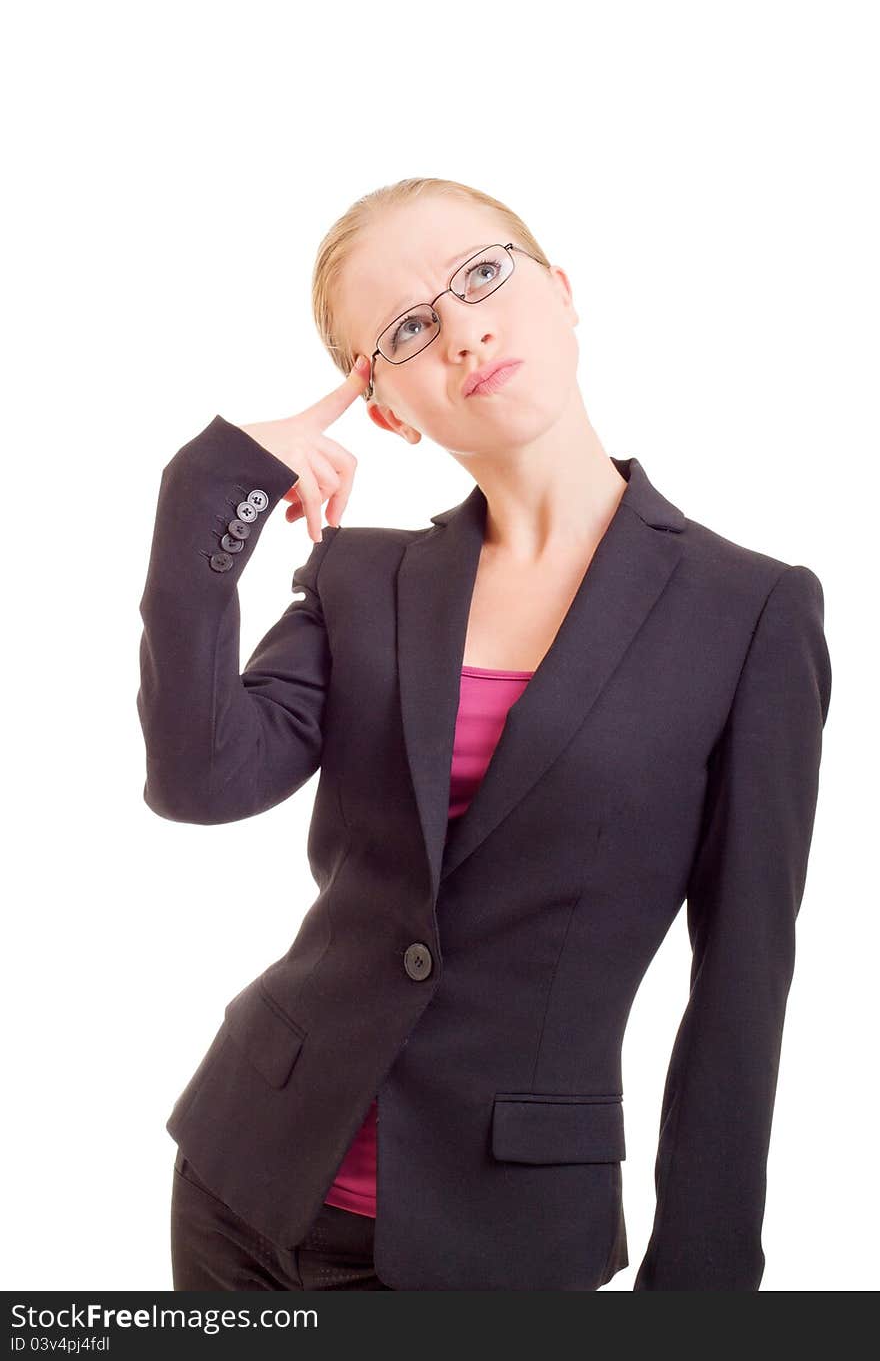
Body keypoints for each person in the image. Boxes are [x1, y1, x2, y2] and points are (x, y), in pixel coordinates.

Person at [138, 176, 832, 1291]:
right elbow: (199, 776)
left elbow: (744, 979)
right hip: (249, 1184)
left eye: (482, 274)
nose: (463, 329)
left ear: (560, 291)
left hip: (498, 1239)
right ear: (391, 407)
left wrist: (702, 1289)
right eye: (409, 329)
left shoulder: (749, 613)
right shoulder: (364, 580)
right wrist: (209, 487)